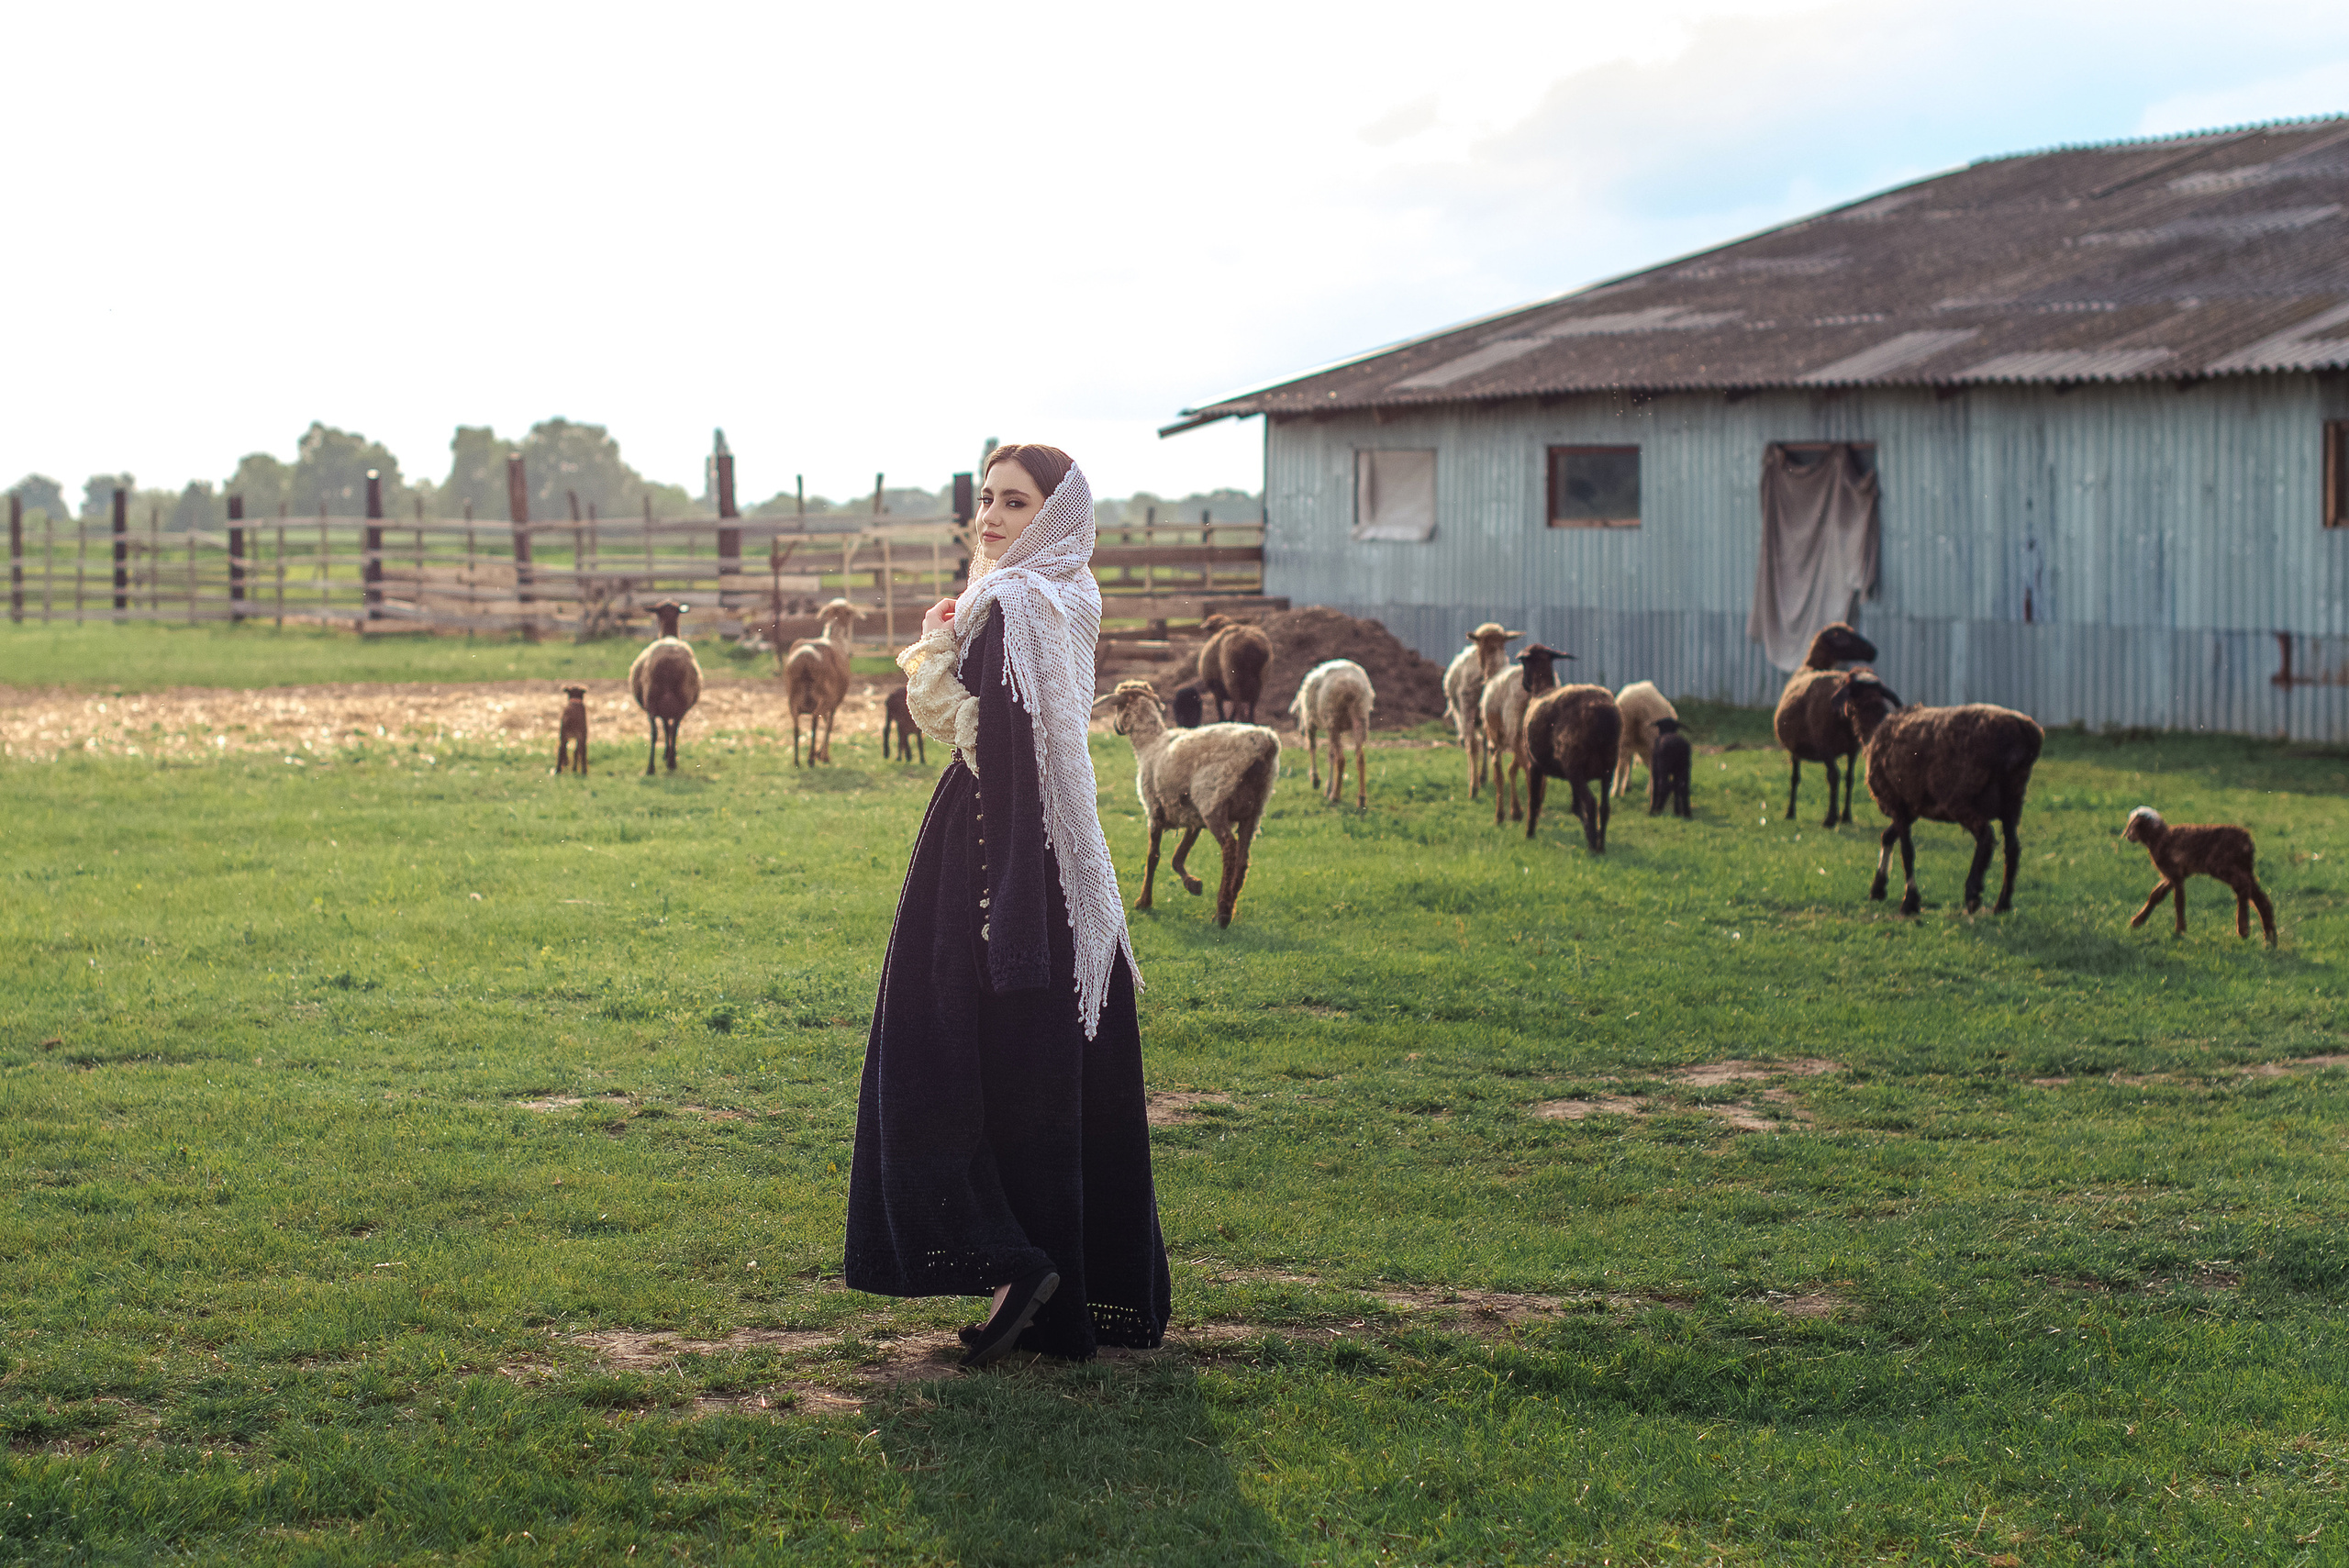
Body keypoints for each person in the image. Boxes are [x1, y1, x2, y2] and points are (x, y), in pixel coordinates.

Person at [843, 443, 1171, 1367]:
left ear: (1054, 514)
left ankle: (1012, 1261)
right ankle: (1042, 1283)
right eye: (985, 499)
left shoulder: (1015, 606)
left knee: (938, 1062)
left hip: (994, 855)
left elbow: (1005, 747)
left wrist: (938, 653)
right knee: (1038, 1079)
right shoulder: (1068, 593)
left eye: (1014, 502)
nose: (990, 518)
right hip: (1062, 864)